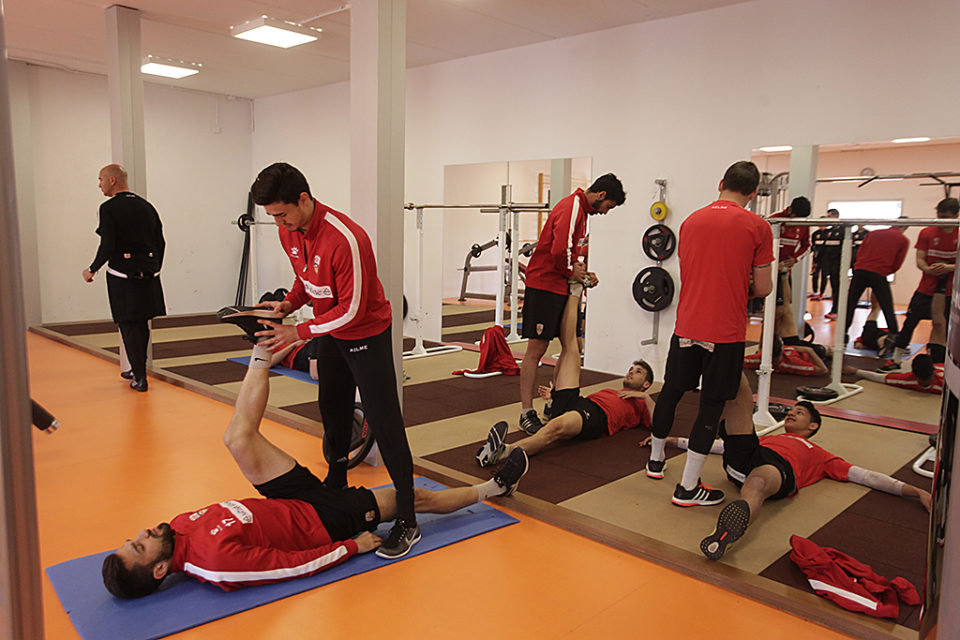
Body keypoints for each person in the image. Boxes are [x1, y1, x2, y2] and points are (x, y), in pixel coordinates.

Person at [101, 336, 529, 598]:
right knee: (412, 499)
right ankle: (494, 488)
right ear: (160, 570)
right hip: (324, 521)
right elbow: (288, 567)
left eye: (132, 538)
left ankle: (261, 351)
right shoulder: (214, 564)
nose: (144, 533)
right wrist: (348, 548)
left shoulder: (174, 528)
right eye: (140, 546)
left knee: (237, 439)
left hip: (288, 498)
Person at [247, 162, 418, 559]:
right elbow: (306, 280)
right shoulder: (287, 229)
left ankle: (408, 518)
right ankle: (336, 486)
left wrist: (298, 331)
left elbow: (353, 310)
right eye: (273, 216)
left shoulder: (347, 239)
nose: (280, 223)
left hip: (365, 333)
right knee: (333, 410)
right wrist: (290, 303)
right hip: (330, 333)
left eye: (283, 213)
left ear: (304, 199)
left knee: (386, 421)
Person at [650, 387, 931, 561]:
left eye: (800, 413)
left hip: (775, 471)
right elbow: (720, 448)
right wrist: (674, 441)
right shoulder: (770, 436)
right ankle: (726, 353)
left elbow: (867, 476)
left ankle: (725, 534)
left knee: (758, 482)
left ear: (813, 427)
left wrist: (917, 491)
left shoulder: (820, 454)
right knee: (740, 391)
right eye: (791, 411)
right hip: (747, 457)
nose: (791, 414)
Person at [646, 160, 774, 507]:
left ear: (721, 183)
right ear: (753, 193)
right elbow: (763, 288)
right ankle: (687, 488)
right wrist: (738, 286)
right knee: (711, 405)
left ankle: (656, 462)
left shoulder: (690, 221)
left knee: (671, 391)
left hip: (687, 324)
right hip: (725, 332)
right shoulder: (758, 226)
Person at [476, 288, 654, 465]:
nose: (631, 371)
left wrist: (645, 397)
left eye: (638, 372)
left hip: (596, 417)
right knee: (571, 347)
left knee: (554, 429)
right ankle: (574, 292)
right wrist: (554, 396)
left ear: (646, 384)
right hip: (580, 402)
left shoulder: (641, 404)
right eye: (632, 368)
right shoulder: (614, 392)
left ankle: (503, 452)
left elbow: (659, 424)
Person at [518, 173, 626, 435]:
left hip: (561, 285)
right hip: (544, 285)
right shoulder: (572, 206)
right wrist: (574, 273)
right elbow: (558, 252)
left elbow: (572, 255)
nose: (606, 212)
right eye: (609, 207)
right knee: (537, 350)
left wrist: (584, 273)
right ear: (601, 196)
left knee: (572, 345)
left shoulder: (583, 213)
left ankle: (554, 403)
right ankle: (525, 412)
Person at [81, 164, 165, 392]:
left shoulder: (107, 208)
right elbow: (161, 242)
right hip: (149, 274)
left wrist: (92, 268)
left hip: (122, 276)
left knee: (128, 324)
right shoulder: (147, 207)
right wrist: (155, 268)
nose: (99, 185)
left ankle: (139, 377)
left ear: (112, 180)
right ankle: (138, 369)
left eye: (100, 180)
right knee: (142, 322)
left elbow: (107, 244)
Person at [880, 197, 958, 370]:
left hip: (951, 289)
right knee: (910, 321)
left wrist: (949, 267)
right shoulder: (927, 232)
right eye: (939, 216)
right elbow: (920, 260)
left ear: (956, 215)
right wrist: (928, 269)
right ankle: (896, 359)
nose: (941, 221)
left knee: (942, 324)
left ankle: (939, 362)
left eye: (945, 217)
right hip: (926, 287)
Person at [842, 223, 910, 345]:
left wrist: (859, 266)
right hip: (879, 273)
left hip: (860, 270)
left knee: (850, 304)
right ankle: (894, 335)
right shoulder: (903, 240)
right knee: (887, 306)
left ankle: (843, 334)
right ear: (905, 227)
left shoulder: (873, 233)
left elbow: (860, 252)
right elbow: (898, 263)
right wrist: (885, 271)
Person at [770, 197, 811, 342]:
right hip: (770, 270)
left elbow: (807, 246)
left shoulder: (804, 225)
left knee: (784, 311)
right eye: (796, 217)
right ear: (791, 210)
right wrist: (772, 262)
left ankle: (776, 345)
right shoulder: (775, 219)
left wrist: (794, 259)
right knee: (774, 313)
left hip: (785, 273)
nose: (798, 220)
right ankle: (766, 346)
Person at [743, 334, 829, 377]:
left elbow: (740, 361)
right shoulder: (793, 364)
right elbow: (823, 370)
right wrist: (810, 350)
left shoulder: (758, 359)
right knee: (827, 351)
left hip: (795, 348)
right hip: (812, 353)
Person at [820, 209, 843, 320]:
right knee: (834, 287)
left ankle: (837, 310)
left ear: (836, 216)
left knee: (838, 288)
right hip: (830, 263)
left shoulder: (843, 230)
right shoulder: (829, 232)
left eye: (830, 216)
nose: (828, 219)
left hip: (839, 264)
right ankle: (835, 309)